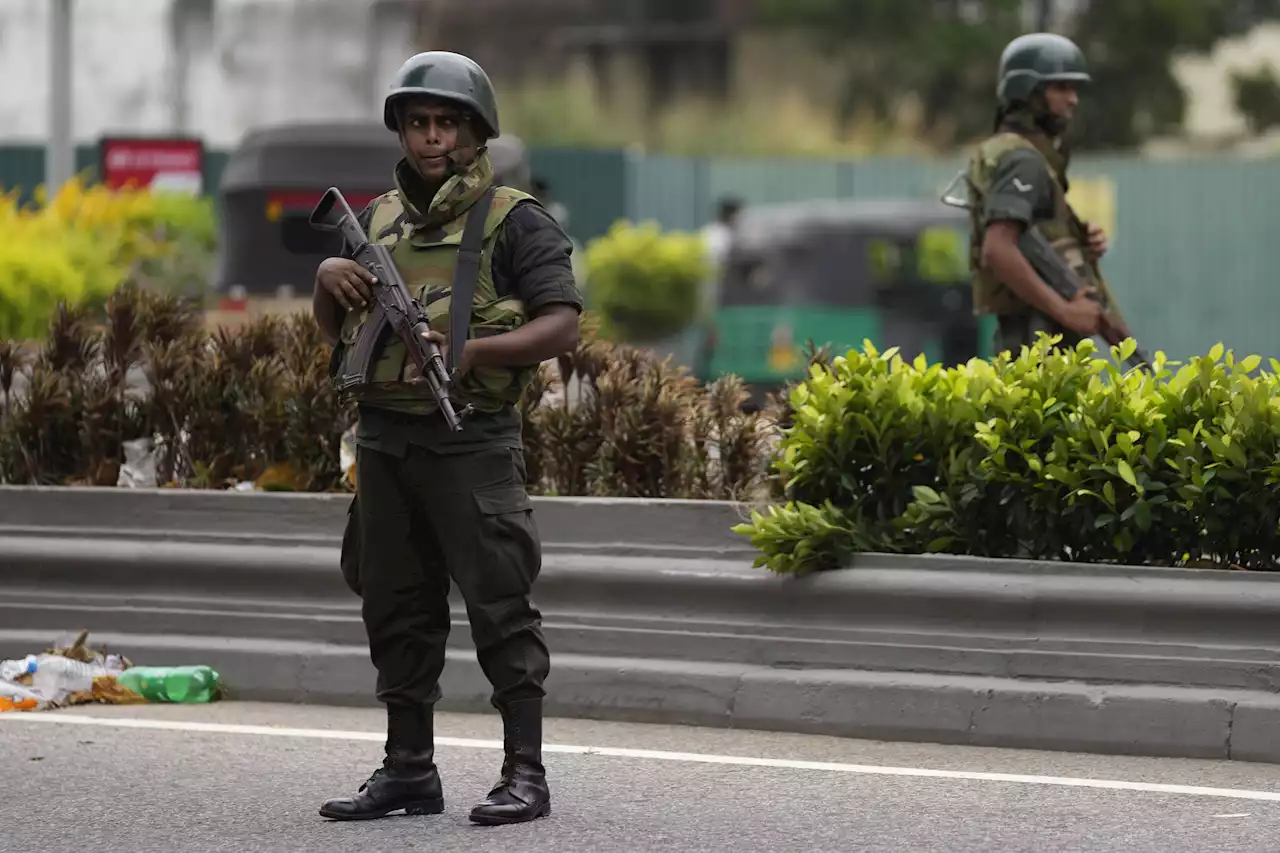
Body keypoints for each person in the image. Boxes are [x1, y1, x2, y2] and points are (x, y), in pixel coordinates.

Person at [310, 50, 582, 826]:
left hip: (471, 442)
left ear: (474, 133)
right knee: (395, 606)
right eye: (419, 123)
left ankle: (524, 771)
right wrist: (329, 278)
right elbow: (335, 334)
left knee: (501, 603)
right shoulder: (373, 221)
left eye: (448, 124)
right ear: (402, 131)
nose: (432, 139)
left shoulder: (513, 219)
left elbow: (561, 322)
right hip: (386, 440)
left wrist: (473, 353)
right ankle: (407, 769)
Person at [965, 32, 1133, 356]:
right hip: (1036, 339)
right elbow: (998, 249)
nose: (1073, 99)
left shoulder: (1010, 153)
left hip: (1034, 336)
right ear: (1027, 92)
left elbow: (1033, 236)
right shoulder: (1022, 160)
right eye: (1061, 87)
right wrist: (1065, 310)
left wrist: (1079, 243)